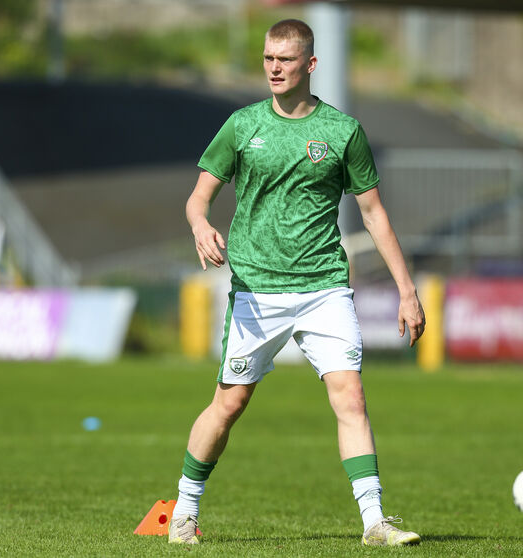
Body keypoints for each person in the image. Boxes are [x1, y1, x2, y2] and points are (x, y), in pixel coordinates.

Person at [169, 18, 425, 547]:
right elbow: (198, 198)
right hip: (257, 292)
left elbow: (374, 215)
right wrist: (200, 226)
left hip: (325, 287)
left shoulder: (342, 132)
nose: (274, 69)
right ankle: (184, 513)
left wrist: (407, 289)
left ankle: (375, 522)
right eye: (268, 59)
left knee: (350, 397)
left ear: (310, 65)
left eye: (285, 60)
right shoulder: (241, 126)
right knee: (229, 403)